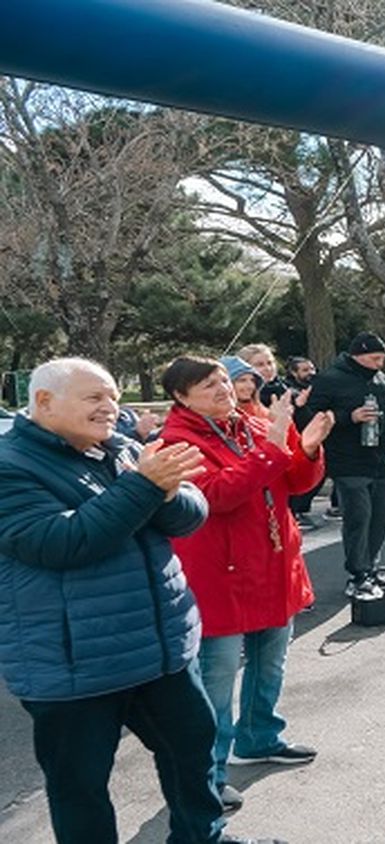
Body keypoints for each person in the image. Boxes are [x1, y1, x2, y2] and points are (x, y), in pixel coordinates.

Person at [0, 357, 284, 844]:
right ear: (44, 402)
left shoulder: (123, 449)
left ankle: (202, 837)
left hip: (161, 648)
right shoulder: (11, 466)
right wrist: (145, 486)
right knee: (81, 785)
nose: (111, 407)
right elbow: (61, 543)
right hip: (74, 663)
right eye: (95, 398)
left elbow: (189, 515)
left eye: (114, 396)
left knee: (191, 750)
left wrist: (169, 494)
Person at [158, 356, 335, 809]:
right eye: (208, 386)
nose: (223, 390)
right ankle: (209, 777)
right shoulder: (175, 442)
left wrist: (309, 449)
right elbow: (218, 495)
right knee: (215, 681)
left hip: (271, 565)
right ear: (181, 397)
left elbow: (294, 480)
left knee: (269, 661)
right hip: (221, 573)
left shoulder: (252, 425)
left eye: (223, 380)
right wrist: (276, 443)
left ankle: (259, 737)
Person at [305, 332, 385, 597]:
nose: (379, 364)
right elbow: (310, 418)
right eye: (375, 358)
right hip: (348, 461)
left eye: (383, 359)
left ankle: (371, 567)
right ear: (357, 355)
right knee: (358, 518)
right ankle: (358, 573)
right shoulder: (330, 380)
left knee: (381, 518)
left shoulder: (381, 380)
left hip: (380, 460)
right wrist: (348, 417)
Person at [284, 357, 323, 528]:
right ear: (294, 372)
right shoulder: (290, 390)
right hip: (296, 440)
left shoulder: (315, 388)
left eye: (312, 369)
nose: (311, 373)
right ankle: (294, 511)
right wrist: (299, 405)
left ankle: (301, 510)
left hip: (315, 440)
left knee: (319, 476)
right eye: (305, 370)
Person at [237, 344, 288, 408]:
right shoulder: (242, 396)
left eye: (270, 363)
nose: (267, 369)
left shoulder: (283, 388)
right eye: (260, 365)